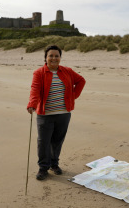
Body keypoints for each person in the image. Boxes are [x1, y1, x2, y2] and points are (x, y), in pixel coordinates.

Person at [27, 45, 86, 180]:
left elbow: (81, 81)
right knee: (43, 142)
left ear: (60, 58)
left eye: (56, 56)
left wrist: (73, 96)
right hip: (45, 114)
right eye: (51, 56)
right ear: (46, 58)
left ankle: (54, 164)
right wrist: (32, 104)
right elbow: (34, 90)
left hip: (63, 114)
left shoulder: (67, 71)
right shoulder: (39, 73)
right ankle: (43, 168)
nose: (54, 58)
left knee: (57, 141)